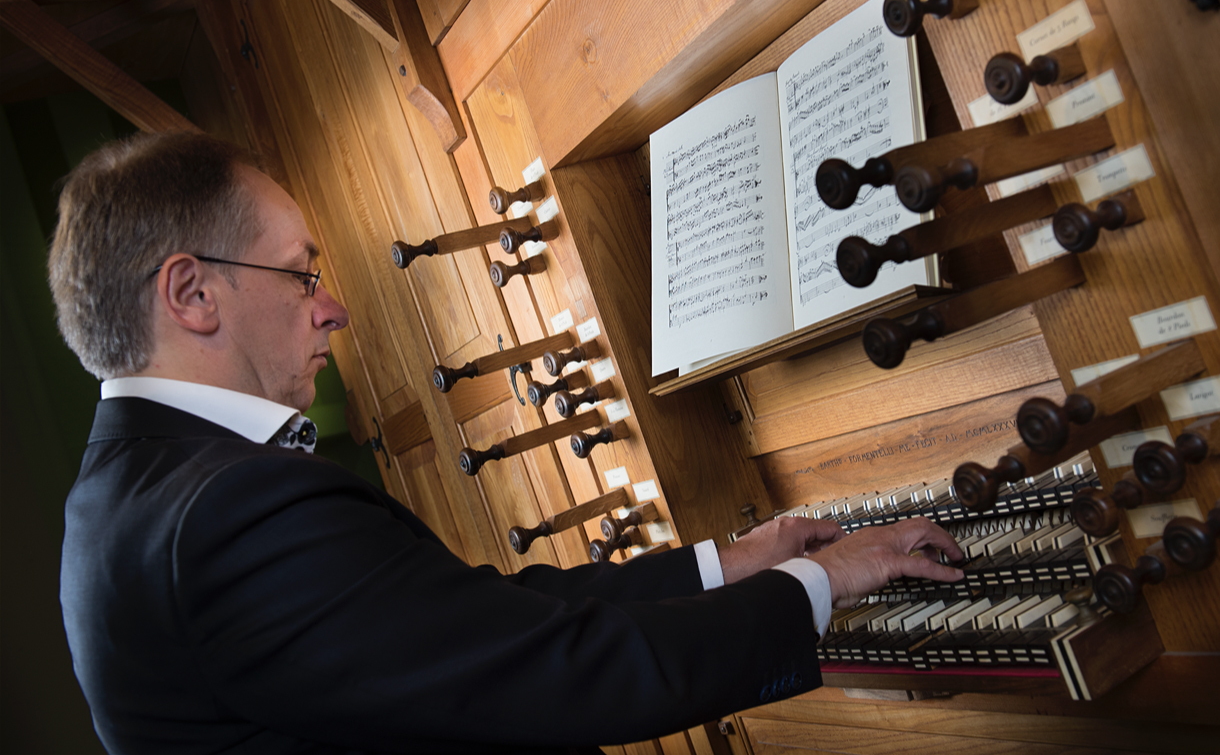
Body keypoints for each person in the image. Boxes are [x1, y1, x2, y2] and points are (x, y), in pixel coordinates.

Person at [53, 131, 964, 754]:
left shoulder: (125, 498)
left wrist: (728, 562)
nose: (332, 306)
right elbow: (548, 668)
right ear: (192, 294)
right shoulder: (220, 515)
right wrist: (821, 580)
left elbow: (475, 622)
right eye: (300, 274)